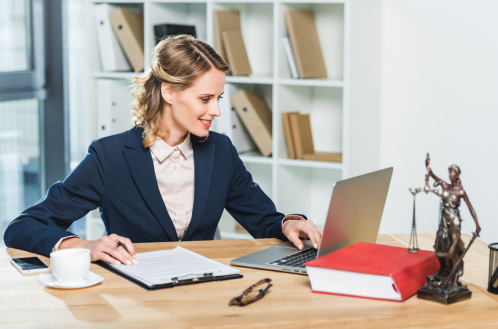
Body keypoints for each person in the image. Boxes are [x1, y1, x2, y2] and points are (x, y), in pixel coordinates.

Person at [4, 35, 323, 266]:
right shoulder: (110, 156)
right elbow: (22, 227)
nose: (216, 111)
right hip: (134, 294)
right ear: (169, 92)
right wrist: (84, 245)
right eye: (204, 99)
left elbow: (263, 219)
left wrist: (287, 223)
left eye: (218, 98)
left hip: (204, 290)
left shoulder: (220, 150)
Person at [425, 153, 481, 288]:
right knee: (439, 248)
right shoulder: (445, 186)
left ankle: (451, 277)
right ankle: (443, 272)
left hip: (454, 222)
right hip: (443, 222)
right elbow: (432, 175)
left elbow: (470, 208)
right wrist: (427, 166)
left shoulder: (461, 191)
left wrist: (477, 225)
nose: (449, 175)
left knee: (451, 250)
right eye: (449, 172)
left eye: (452, 172)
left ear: (457, 174)